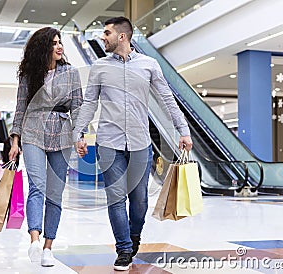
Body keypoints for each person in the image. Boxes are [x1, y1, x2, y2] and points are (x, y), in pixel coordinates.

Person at [72, 17, 193, 271]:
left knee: (139, 201)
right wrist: (79, 133)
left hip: (140, 142)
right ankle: (124, 249)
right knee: (115, 197)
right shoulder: (100, 66)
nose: (102, 37)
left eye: (107, 33)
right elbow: (90, 103)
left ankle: (134, 236)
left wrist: (183, 130)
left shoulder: (149, 65)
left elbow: (167, 99)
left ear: (122, 36)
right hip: (108, 143)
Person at [9, 27, 83, 267]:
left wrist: (79, 135)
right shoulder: (29, 74)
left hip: (61, 134)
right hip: (33, 131)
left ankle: (48, 247)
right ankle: (34, 240)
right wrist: (15, 140)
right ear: (43, 48)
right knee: (37, 187)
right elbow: (20, 107)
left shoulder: (71, 73)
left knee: (55, 194)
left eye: (60, 42)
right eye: (54, 43)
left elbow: (78, 107)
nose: (59, 46)